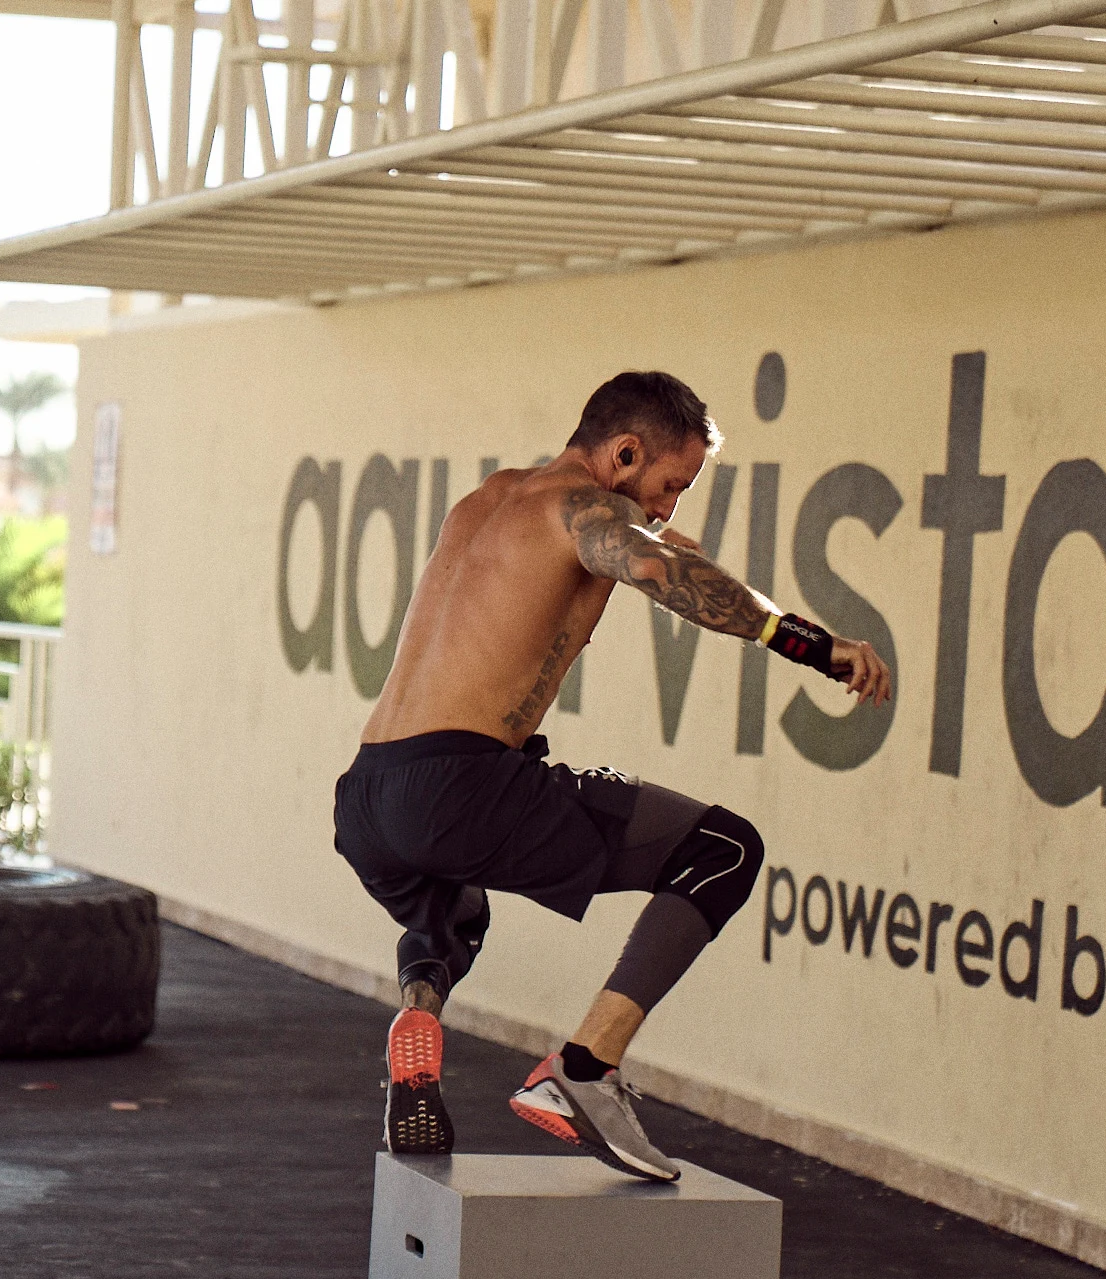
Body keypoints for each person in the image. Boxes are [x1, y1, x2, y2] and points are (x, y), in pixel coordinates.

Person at [333, 371, 892, 1178]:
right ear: (624, 452)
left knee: (450, 902)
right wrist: (813, 643)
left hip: (370, 796)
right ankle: (585, 1070)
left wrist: (665, 545)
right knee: (724, 849)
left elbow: (655, 554)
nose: (666, 509)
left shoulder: (491, 499)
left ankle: (418, 1019)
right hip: (463, 784)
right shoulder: (587, 511)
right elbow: (663, 574)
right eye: (668, 486)